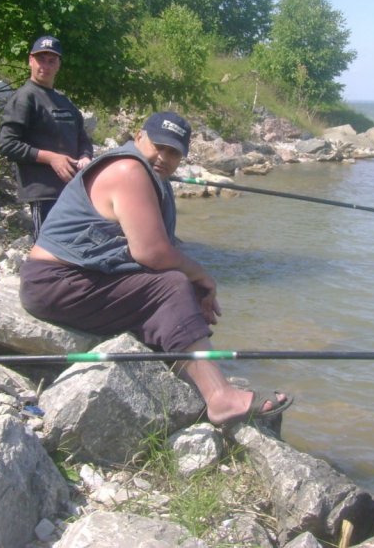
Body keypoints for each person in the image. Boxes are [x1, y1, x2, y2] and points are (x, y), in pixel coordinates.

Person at [19, 111, 292, 427]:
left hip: (77, 278)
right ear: (138, 137)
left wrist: (194, 287)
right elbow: (152, 253)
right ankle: (220, 398)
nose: (163, 157)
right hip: (54, 283)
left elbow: (163, 248)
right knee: (171, 285)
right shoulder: (128, 170)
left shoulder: (148, 175)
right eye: (158, 145)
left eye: (174, 152)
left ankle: (190, 365)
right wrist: (202, 276)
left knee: (178, 283)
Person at [0, 36, 93, 241]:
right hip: (43, 192)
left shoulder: (64, 101)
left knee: (73, 246)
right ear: (30, 60)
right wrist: (51, 158)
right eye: (41, 59)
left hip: (72, 190)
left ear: (58, 65)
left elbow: (83, 138)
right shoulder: (25, 97)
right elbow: (8, 145)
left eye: (52, 61)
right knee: (47, 246)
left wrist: (86, 156)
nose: (46, 66)